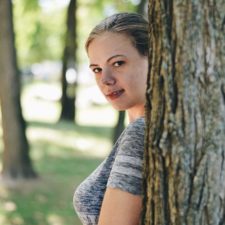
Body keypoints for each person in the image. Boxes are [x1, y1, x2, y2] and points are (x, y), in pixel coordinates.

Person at [73, 12, 149, 225]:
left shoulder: (141, 133)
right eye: (97, 69)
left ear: (155, 59)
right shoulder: (139, 128)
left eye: (117, 63)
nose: (105, 80)